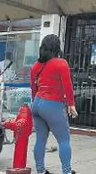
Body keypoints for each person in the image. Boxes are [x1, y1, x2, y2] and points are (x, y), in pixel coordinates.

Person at [30, 34, 77, 174]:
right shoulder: (61, 63)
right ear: (57, 47)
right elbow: (67, 86)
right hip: (53, 104)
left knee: (40, 140)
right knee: (63, 140)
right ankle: (67, 171)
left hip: (37, 103)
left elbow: (33, 88)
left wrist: (35, 104)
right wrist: (71, 104)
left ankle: (40, 170)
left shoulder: (35, 66)